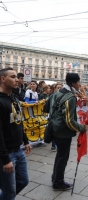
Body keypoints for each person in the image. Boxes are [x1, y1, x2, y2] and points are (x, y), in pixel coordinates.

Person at [51, 73, 87, 190]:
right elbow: (69, 120)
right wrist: (81, 127)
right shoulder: (70, 97)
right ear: (73, 83)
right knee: (63, 157)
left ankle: (55, 177)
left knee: (59, 156)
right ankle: (58, 182)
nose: (79, 84)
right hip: (63, 132)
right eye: (78, 82)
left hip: (55, 128)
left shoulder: (58, 92)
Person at [0, 67, 32, 200]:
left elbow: (18, 121)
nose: (17, 80)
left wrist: (25, 141)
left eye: (17, 77)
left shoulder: (14, 98)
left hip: (18, 150)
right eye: (13, 77)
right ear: (3, 79)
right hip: (6, 153)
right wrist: (5, 159)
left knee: (23, 181)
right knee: (9, 190)